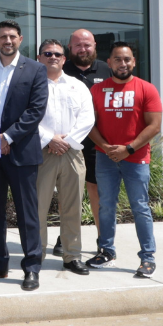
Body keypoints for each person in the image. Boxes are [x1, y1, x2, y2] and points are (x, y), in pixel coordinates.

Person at [0, 20, 48, 291]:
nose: (8, 41)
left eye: (12, 36)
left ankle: (31, 267)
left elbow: (36, 110)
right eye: (3, 36)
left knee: (27, 213)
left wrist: (7, 137)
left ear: (20, 39)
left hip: (22, 153)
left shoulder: (36, 69)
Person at [86, 42, 162, 278]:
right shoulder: (97, 90)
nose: (123, 63)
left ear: (134, 62)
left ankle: (147, 257)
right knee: (106, 205)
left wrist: (128, 149)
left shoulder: (146, 89)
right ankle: (106, 251)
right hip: (105, 157)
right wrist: (106, 147)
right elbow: (89, 124)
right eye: (118, 59)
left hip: (136, 158)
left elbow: (154, 126)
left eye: (127, 59)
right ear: (109, 63)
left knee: (140, 207)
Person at [34, 39, 94, 276]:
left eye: (57, 54)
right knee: (38, 206)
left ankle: (72, 256)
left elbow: (87, 118)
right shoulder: (31, 85)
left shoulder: (78, 86)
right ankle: (36, 255)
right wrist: (50, 139)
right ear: (39, 58)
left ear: (64, 59)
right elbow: (27, 116)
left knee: (72, 207)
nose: (53, 57)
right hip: (42, 152)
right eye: (47, 53)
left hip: (72, 152)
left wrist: (66, 141)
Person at [62, 28, 111, 256]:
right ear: (69, 48)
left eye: (87, 45)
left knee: (96, 191)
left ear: (94, 46)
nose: (83, 49)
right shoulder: (61, 69)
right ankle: (64, 239)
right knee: (66, 193)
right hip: (65, 144)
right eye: (78, 45)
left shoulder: (106, 70)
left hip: (96, 143)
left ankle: (103, 240)